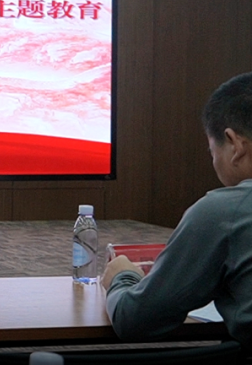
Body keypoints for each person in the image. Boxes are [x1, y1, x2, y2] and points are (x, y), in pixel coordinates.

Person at [102, 71, 252, 345]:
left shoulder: (224, 212)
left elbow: (135, 320)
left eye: (212, 150)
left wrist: (121, 277)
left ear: (236, 145)